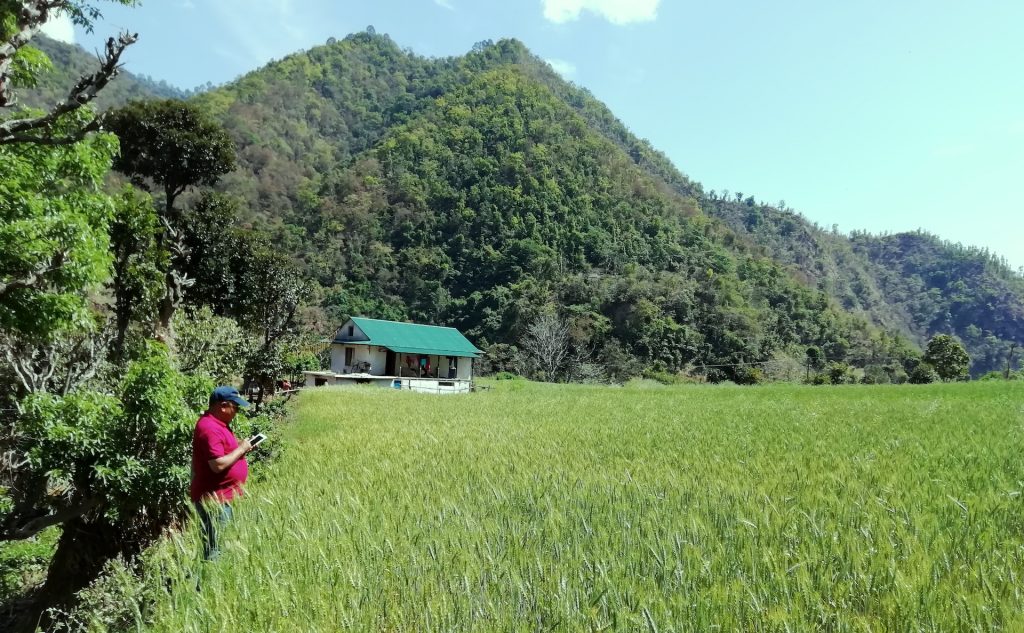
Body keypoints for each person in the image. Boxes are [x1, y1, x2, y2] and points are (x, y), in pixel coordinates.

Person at [190, 386, 253, 560]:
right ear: (223, 406)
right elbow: (217, 465)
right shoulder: (210, 428)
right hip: (215, 501)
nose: (237, 411)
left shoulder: (218, 424)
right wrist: (241, 449)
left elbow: (221, 450)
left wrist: (241, 446)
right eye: (236, 407)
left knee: (220, 546)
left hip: (223, 497)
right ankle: (208, 585)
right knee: (215, 549)